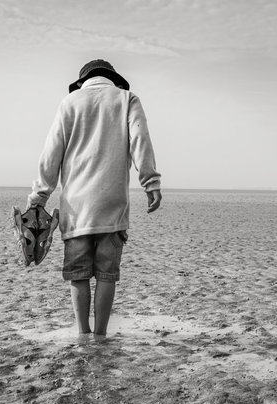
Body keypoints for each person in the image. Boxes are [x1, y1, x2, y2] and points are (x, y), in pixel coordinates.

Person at [26, 59, 162, 339]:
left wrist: (39, 196)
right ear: (112, 79)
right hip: (112, 205)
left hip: (76, 208)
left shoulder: (69, 103)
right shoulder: (127, 99)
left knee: (78, 274)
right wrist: (150, 182)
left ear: (83, 81)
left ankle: (82, 333)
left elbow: (51, 153)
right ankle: (101, 335)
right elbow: (140, 140)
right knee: (106, 275)